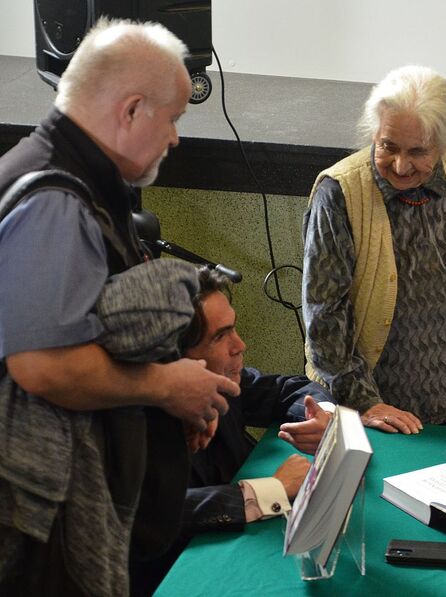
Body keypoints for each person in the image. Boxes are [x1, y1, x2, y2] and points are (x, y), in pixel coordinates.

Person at [0, 19, 237, 596]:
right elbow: (43, 366)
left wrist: (166, 412)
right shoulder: (54, 200)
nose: (176, 138)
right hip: (40, 531)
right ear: (131, 110)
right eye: (174, 118)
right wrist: (164, 388)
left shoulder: (65, 180)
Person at [303, 65, 446, 432]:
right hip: (372, 408)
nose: (401, 165)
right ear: (374, 132)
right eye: (388, 146)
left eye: (418, 151)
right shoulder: (341, 193)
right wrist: (367, 404)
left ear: (443, 143)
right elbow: (324, 319)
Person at [131, 268, 334, 595]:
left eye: (234, 328)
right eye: (219, 336)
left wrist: (320, 417)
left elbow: (290, 388)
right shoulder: (131, 426)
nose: (240, 345)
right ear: (175, 358)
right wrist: (271, 490)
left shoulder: (224, 384)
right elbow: (152, 516)